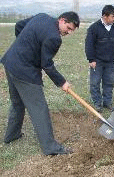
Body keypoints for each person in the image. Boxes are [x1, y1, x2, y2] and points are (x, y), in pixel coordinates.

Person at [0, 12, 80, 155]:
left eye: (71, 31)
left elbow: (19, 26)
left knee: (17, 103)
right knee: (39, 108)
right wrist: (62, 82)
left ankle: (11, 135)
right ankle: (50, 147)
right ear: (62, 20)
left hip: (10, 62)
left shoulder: (42, 17)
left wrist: (23, 47)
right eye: (68, 28)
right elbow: (47, 65)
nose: (68, 33)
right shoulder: (55, 38)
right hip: (24, 71)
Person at [85, 5, 114, 112]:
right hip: (97, 62)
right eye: (112, 16)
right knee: (95, 83)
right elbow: (89, 45)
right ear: (105, 16)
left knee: (109, 83)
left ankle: (107, 103)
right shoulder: (94, 28)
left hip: (111, 62)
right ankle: (97, 103)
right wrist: (91, 59)